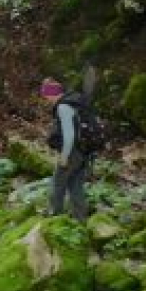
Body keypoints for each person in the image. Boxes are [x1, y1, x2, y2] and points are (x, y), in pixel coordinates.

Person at [40, 78, 91, 221]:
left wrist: (64, 156)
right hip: (83, 150)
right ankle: (80, 219)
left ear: (52, 94)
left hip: (72, 151)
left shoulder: (63, 107)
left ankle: (53, 216)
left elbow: (69, 135)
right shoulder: (74, 103)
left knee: (58, 182)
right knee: (75, 185)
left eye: (46, 96)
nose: (46, 100)